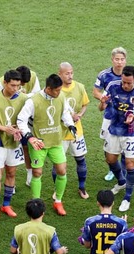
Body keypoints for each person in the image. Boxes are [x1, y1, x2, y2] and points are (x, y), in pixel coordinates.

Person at [17, 74, 76, 216]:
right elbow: (21, 120)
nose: (59, 93)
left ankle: (58, 201)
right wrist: (30, 137)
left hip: (55, 142)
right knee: (37, 172)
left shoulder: (60, 97)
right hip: (39, 143)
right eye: (57, 90)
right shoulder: (33, 101)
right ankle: (36, 203)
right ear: (48, 89)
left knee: (62, 170)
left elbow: (64, 112)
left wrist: (70, 125)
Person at [100, 65, 134, 213]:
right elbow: (101, 108)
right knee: (110, 159)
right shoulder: (112, 86)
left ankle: (127, 197)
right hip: (114, 130)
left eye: (129, 83)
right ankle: (121, 182)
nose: (126, 85)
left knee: (130, 164)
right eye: (124, 82)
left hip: (131, 133)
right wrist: (102, 102)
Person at [93, 47, 134, 182]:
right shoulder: (104, 75)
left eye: (122, 59)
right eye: (117, 59)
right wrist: (104, 98)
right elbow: (95, 91)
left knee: (126, 145)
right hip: (110, 115)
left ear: (125, 60)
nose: (119, 62)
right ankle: (112, 169)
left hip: (127, 117)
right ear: (112, 60)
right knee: (108, 144)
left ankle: (123, 171)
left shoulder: (133, 75)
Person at [0, 70, 27, 220]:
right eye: (12, 85)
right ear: (4, 83)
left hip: (14, 141)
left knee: (11, 173)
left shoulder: (23, 98)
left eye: (18, 86)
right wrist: (5, 129)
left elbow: (27, 118)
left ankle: (6, 205)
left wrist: (18, 129)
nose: (15, 89)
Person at [57, 62, 91, 199]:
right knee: (59, 164)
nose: (70, 76)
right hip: (60, 133)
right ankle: (57, 190)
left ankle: (82, 187)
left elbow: (85, 104)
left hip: (77, 131)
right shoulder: (56, 89)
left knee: (81, 159)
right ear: (60, 74)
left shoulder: (80, 87)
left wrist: (80, 115)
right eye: (67, 73)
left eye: (71, 73)